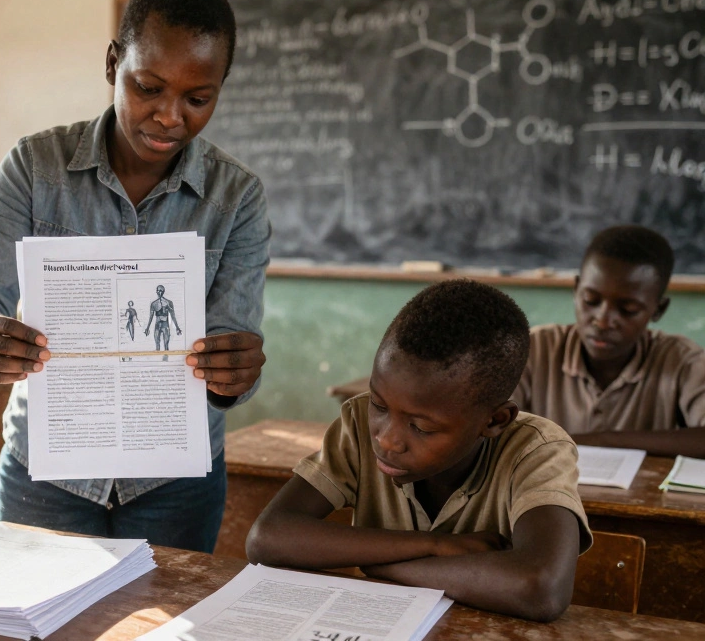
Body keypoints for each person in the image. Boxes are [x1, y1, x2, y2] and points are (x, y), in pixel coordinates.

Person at [0, 0, 270, 552]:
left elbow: (231, 340)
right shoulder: (34, 167)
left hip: (175, 479)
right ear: (113, 62)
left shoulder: (236, 197)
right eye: (148, 87)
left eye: (198, 99)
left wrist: (234, 372)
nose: (171, 116)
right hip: (48, 470)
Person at [247, 280, 591, 622]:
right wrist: (432, 546)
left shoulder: (537, 450)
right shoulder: (356, 423)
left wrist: (382, 565)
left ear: (495, 420)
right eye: (379, 406)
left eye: (422, 427)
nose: (387, 440)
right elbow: (268, 538)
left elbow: (541, 587)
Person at [511, 225, 705, 458]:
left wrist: (604, 439)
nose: (602, 321)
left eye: (628, 309)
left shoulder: (682, 359)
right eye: (591, 301)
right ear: (576, 290)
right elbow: (485, 426)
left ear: (658, 309)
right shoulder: (533, 349)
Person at [144, 284, 181, 351]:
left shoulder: (169, 302)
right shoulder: (153, 304)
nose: (159, 292)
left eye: (161, 291)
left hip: (165, 325)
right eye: (158, 291)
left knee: (166, 346)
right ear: (156, 292)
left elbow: (173, 315)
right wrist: (147, 328)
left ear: (164, 291)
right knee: (157, 346)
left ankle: (166, 360)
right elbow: (151, 317)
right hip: (157, 325)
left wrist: (177, 327)